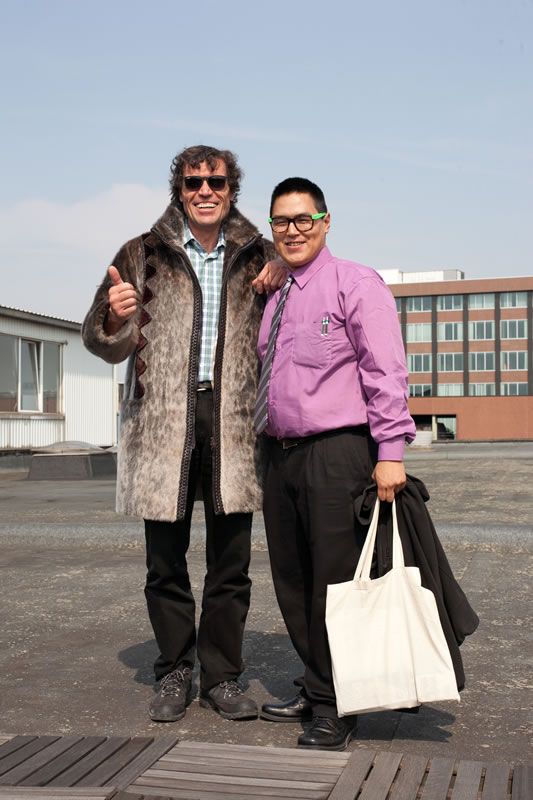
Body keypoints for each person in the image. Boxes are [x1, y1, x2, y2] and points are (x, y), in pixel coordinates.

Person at [82, 145, 281, 723]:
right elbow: (100, 339)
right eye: (193, 181)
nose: (205, 190)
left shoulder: (261, 255)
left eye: (215, 180)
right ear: (179, 188)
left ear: (231, 187)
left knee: (232, 561)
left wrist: (284, 278)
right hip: (163, 418)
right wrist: (116, 315)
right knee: (164, 561)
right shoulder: (140, 253)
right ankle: (174, 672)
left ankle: (222, 676)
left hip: (236, 418)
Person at [255, 177, 416, 750]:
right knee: (292, 579)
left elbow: (385, 370)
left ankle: (335, 706)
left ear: (326, 221)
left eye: (304, 219)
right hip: (278, 455)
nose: (293, 230)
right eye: (281, 221)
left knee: (335, 581)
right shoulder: (273, 292)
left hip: (337, 452)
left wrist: (390, 452)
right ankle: (316, 680)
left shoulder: (356, 284)